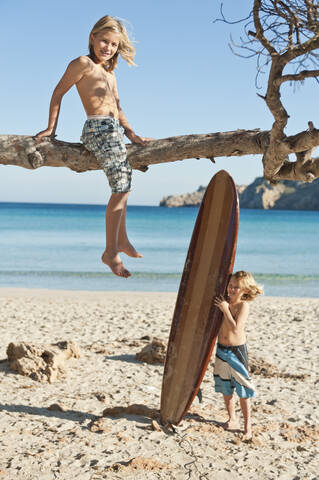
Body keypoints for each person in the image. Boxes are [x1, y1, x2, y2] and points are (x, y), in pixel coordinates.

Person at [35, 15, 152, 278]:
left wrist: (132, 133)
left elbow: (118, 108)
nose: (107, 48)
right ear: (92, 37)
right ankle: (111, 251)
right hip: (97, 129)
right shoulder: (83, 63)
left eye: (113, 45)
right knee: (121, 186)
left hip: (113, 131)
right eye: (104, 41)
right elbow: (58, 92)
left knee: (125, 183)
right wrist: (51, 128)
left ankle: (120, 240)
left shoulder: (109, 74)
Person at [213, 271, 263, 440]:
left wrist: (226, 310)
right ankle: (232, 418)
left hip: (236, 352)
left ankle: (248, 428)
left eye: (237, 287)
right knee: (225, 387)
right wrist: (224, 306)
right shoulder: (223, 302)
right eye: (231, 286)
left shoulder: (242, 306)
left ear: (245, 290)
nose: (232, 289)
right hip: (221, 349)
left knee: (243, 390)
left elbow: (235, 328)